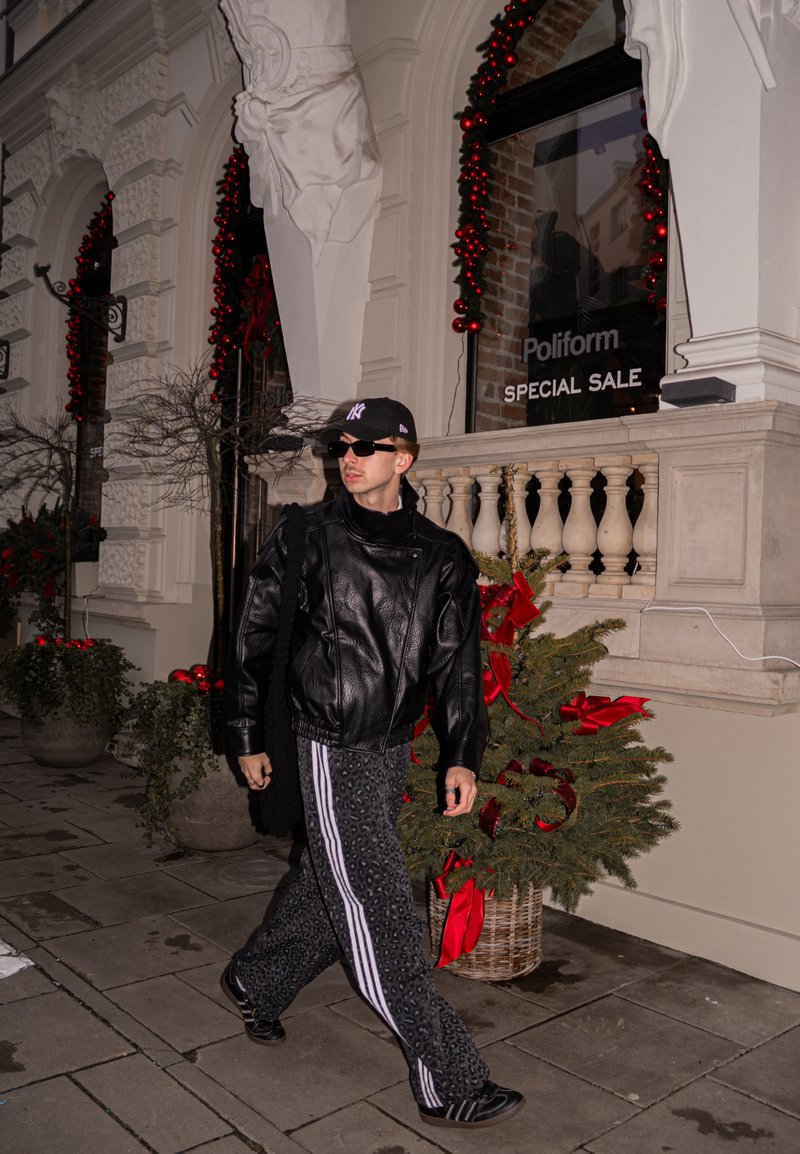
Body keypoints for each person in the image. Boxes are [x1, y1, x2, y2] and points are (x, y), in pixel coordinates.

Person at [222, 396, 524, 1129]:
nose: (347, 457)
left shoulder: (441, 554)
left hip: (389, 749)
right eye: (342, 446)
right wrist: (245, 735)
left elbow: (457, 665)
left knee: (336, 881)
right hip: (325, 744)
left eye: (366, 446)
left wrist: (461, 754)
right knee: (379, 909)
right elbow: (252, 639)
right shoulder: (306, 535)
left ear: (405, 458)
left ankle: (256, 980)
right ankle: (448, 1077)